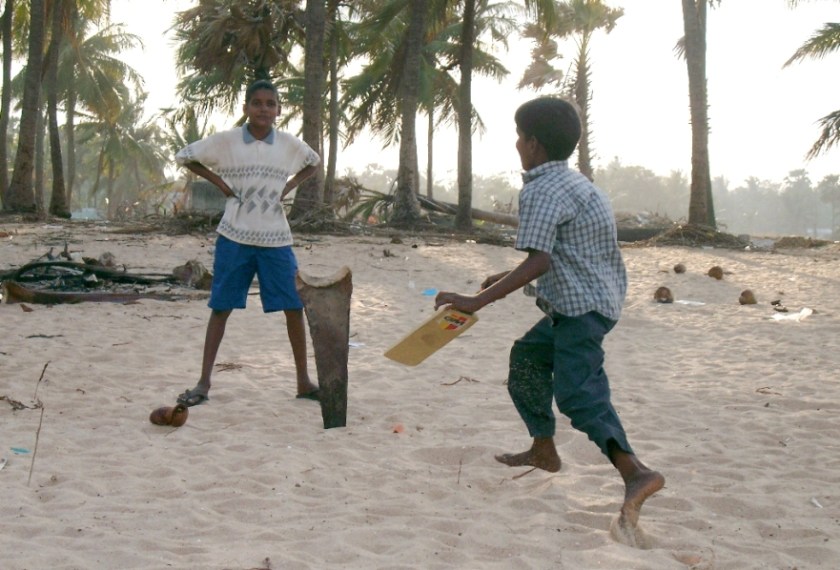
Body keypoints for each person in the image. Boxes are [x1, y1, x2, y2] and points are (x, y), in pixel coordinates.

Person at [434, 96, 664, 531]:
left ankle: (636, 472)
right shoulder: (580, 184)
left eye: (519, 136)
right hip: (592, 300)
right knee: (527, 358)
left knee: (579, 395)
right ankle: (543, 449)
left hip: (581, 310)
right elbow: (563, 252)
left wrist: (476, 301)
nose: (516, 143)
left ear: (533, 143)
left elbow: (539, 261)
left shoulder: (540, 190)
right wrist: (503, 276)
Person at [174, 79, 321, 407]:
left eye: (270, 104)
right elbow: (186, 156)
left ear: (278, 110)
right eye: (257, 103)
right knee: (221, 307)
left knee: (293, 307)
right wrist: (219, 183)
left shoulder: (287, 144)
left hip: (276, 239)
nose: (263, 109)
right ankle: (203, 383)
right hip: (234, 237)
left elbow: (314, 162)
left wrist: (289, 186)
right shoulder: (227, 141)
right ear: (246, 108)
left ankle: (303, 381)